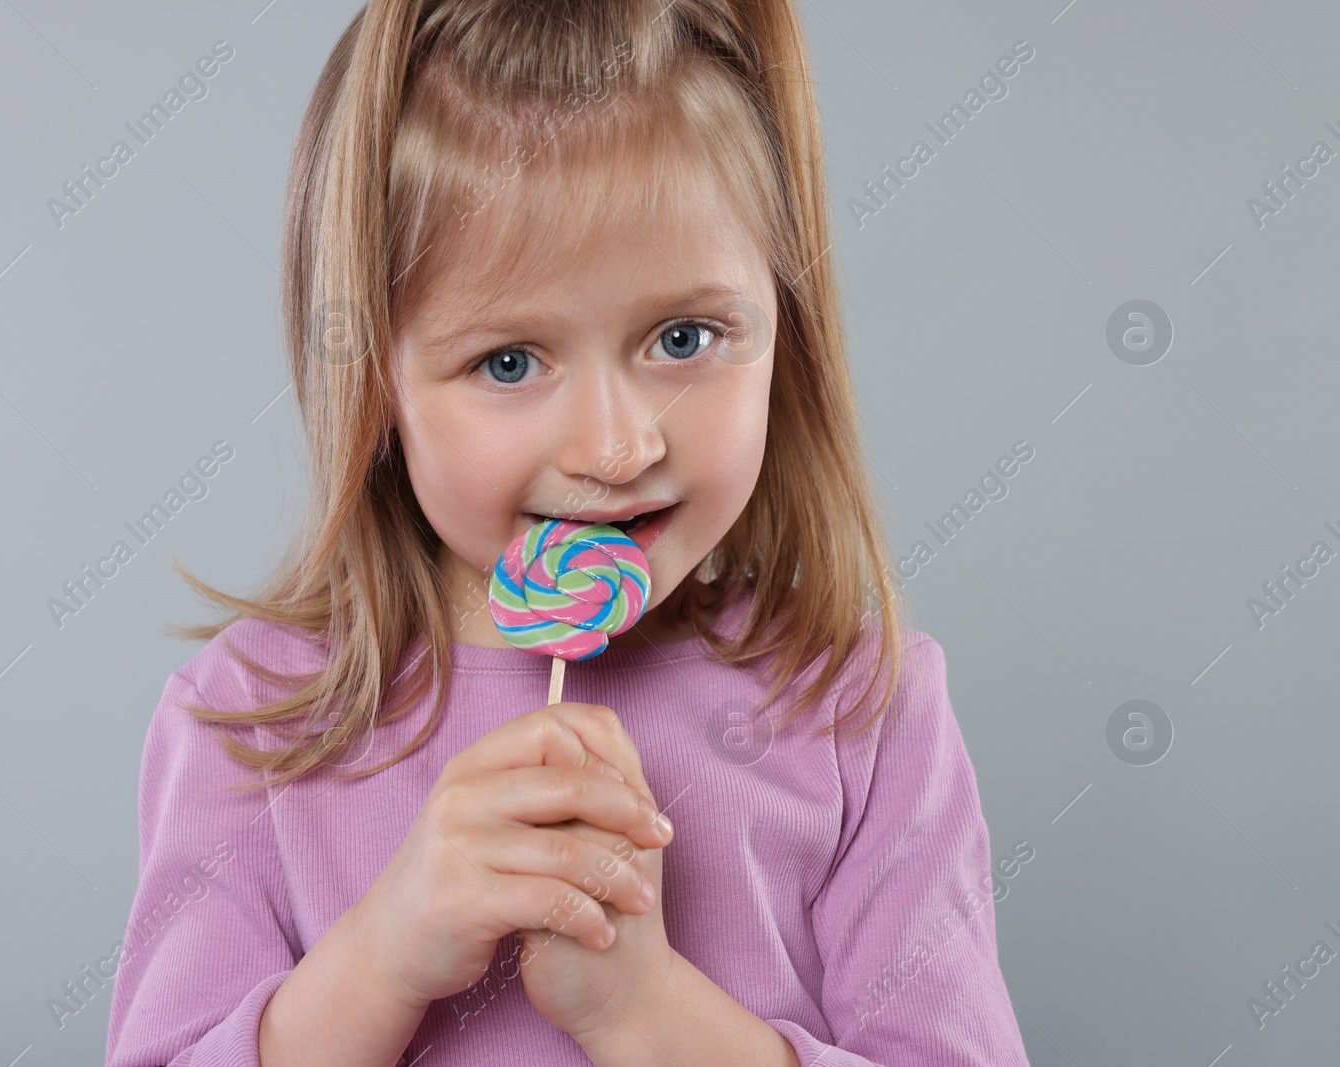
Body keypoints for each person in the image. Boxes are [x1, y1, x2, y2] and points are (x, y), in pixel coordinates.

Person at [106, 1, 1032, 1064]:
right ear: (375, 383)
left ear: (787, 329)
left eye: (683, 337)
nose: (615, 445)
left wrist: (642, 1009)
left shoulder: (864, 714)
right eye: (509, 361)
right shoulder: (250, 721)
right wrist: (384, 955)